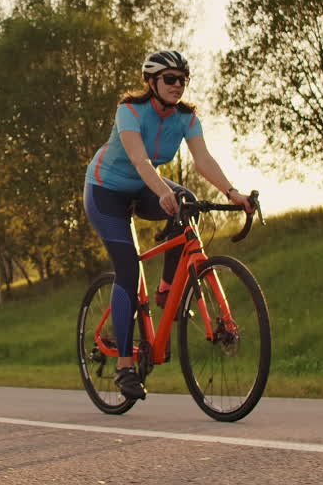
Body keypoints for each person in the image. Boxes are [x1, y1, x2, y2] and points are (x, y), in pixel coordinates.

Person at [83, 50, 253, 400]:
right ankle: (125, 367)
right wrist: (161, 190)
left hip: (145, 187)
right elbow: (139, 159)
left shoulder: (186, 118)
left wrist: (232, 191)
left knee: (187, 203)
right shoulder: (129, 111)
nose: (178, 86)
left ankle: (165, 290)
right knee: (128, 271)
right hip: (106, 192)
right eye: (170, 79)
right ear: (152, 81)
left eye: (183, 80)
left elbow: (203, 158)